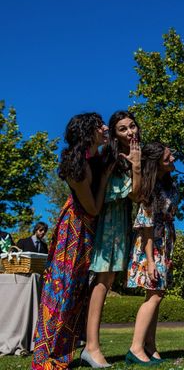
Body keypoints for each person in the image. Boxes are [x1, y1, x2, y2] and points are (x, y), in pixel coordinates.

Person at [32, 113, 112, 370]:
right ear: (87, 132)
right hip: (75, 231)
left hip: (86, 232)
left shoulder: (94, 160)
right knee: (62, 289)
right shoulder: (76, 165)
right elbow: (93, 208)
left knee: (76, 292)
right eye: (99, 125)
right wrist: (106, 179)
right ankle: (45, 356)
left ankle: (63, 352)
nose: (105, 127)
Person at [83, 111, 141, 368]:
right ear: (115, 135)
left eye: (132, 126)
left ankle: (91, 346)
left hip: (121, 222)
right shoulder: (113, 157)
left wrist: (137, 164)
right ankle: (91, 346)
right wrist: (137, 166)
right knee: (102, 279)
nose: (130, 132)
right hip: (108, 221)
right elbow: (135, 195)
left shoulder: (131, 156)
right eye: (122, 129)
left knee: (108, 280)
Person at [125, 143, 177, 365]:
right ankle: (135, 348)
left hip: (164, 242)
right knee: (154, 293)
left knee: (158, 294)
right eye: (167, 158)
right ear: (156, 163)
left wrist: (168, 252)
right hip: (150, 244)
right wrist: (150, 260)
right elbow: (145, 225)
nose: (173, 158)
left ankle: (150, 345)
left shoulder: (168, 184)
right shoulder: (150, 187)